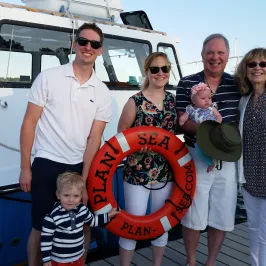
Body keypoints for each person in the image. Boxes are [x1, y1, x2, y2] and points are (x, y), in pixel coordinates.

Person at [19, 23, 112, 266]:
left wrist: (85, 178)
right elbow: (29, 122)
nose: (88, 47)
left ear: (100, 50)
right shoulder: (49, 77)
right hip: (46, 162)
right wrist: (25, 167)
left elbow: (94, 139)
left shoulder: (102, 92)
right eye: (83, 41)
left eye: (94, 44)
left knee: (82, 222)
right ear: (74, 44)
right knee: (40, 226)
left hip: (80, 164)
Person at [176, 33, 241, 266]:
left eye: (220, 53)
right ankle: (191, 262)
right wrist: (207, 137)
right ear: (202, 55)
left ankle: (211, 262)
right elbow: (179, 121)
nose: (215, 57)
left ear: (227, 56)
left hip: (228, 159)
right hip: (196, 157)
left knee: (222, 215)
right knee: (193, 214)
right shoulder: (186, 83)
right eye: (210, 52)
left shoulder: (237, 84)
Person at [117, 52, 177, 266]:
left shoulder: (172, 100)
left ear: (169, 71)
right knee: (132, 224)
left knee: (162, 223)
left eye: (164, 69)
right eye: (155, 69)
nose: (160, 73)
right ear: (147, 72)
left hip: (165, 171)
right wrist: (136, 144)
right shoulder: (135, 101)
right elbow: (121, 132)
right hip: (137, 171)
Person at [41, 172, 119, 266]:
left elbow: (93, 221)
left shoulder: (82, 209)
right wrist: (46, 260)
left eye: (76, 196)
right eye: (66, 195)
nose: (71, 200)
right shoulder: (52, 217)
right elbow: (46, 239)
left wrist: (108, 215)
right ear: (58, 195)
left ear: (81, 196)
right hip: (59, 261)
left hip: (77, 257)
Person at [235, 48, 266, 266]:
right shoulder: (244, 100)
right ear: (245, 69)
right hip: (249, 175)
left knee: (265, 233)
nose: (257, 68)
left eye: (263, 64)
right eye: (252, 64)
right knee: (253, 228)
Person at [179, 82, 222, 172]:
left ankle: (218, 156)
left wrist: (217, 122)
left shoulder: (211, 108)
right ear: (194, 100)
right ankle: (210, 163)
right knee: (199, 151)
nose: (207, 100)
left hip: (212, 132)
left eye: (209, 98)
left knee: (216, 145)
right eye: (203, 98)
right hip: (200, 136)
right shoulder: (191, 109)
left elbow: (218, 116)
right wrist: (182, 119)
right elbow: (185, 116)